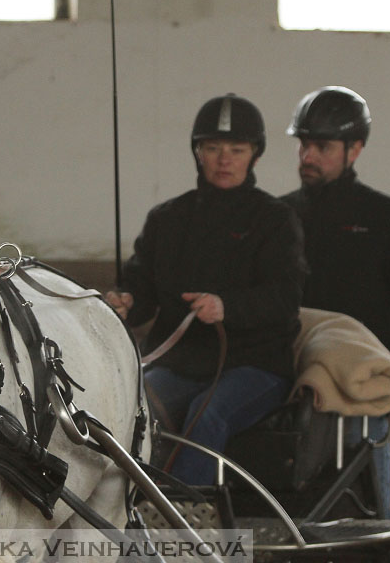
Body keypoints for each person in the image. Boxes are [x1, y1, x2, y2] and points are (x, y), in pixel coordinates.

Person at [106, 93, 306, 486]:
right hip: (178, 361)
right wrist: (125, 302)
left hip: (255, 366)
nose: (224, 159)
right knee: (129, 402)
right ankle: (121, 508)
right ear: (198, 152)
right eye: (212, 148)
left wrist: (227, 307)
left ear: (255, 155)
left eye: (237, 149)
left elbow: (286, 298)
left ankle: (184, 518)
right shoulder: (167, 218)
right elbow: (142, 287)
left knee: (206, 412)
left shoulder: (276, 220)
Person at [281, 85, 390, 518]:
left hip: (364, 390)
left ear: (355, 149)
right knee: (283, 505)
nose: (307, 156)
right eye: (303, 144)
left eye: (321, 146)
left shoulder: (387, 219)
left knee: (365, 502)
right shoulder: (278, 218)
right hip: (288, 388)